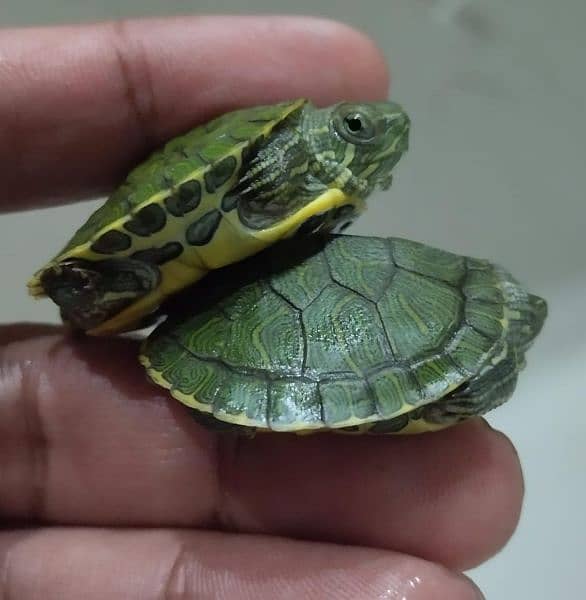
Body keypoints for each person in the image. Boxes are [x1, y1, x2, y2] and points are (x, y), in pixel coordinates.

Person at [0, 15, 522, 599]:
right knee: (103, 286)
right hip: (171, 274)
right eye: (351, 127)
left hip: (202, 299)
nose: (372, 134)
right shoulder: (289, 148)